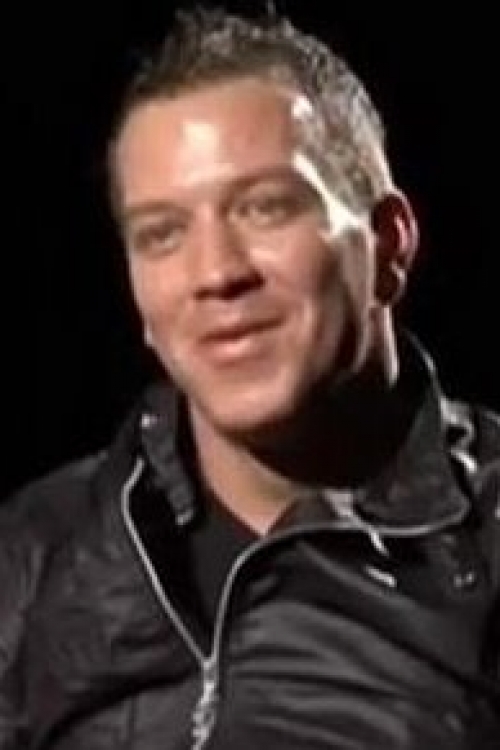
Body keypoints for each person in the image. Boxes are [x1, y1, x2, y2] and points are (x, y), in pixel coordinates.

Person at [1, 6, 499, 749]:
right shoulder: (33, 551)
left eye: (266, 208)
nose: (215, 274)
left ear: (389, 247)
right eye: (162, 234)